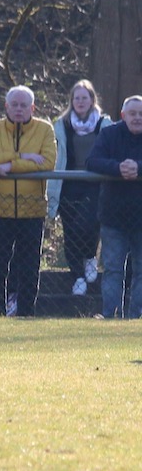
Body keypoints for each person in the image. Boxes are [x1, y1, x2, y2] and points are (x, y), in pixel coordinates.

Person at [0, 86, 56, 317]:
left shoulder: (44, 129)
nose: (19, 109)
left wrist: (10, 166)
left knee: (29, 268)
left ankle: (26, 313)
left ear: (33, 108)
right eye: (15, 105)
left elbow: (47, 162)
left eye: (24, 105)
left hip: (32, 209)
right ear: (6, 106)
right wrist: (21, 156)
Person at [48, 80, 108, 296]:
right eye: (77, 98)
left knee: (88, 225)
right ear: (71, 101)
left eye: (85, 97)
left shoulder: (104, 124)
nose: (80, 102)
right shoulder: (62, 124)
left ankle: (90, 256)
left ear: (92, 99)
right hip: (68, 183)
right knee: (71, 231)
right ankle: (77, 276)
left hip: (95, 185)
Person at [85, 96, 142, 319]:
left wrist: (138, 168)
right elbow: (92, 161)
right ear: (123, 115)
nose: (137, 117)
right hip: (113, 217)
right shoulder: (108, 134)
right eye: (133, 113)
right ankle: (111, 316)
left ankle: (136, 317)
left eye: (141, 114)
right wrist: (118, 168)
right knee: (112, 270)